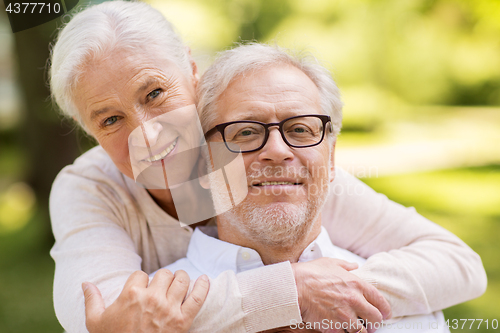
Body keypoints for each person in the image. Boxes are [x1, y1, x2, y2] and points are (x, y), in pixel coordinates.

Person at [48, 1, 486, 332]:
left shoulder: (267, 163)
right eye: (110, 120)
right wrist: (291, 292)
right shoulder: (90, 188)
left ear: (193, 75)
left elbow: (457, 264)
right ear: (87, 130)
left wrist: (340, 296)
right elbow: (103, 316)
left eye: (155, 94)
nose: (147, 133)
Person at [162, 42, 452, 333]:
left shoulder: (411, 312)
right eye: (246, 131)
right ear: (202, 164)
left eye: (300, 129)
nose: (277, 151)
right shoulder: (150, 315)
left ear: (332, 157)